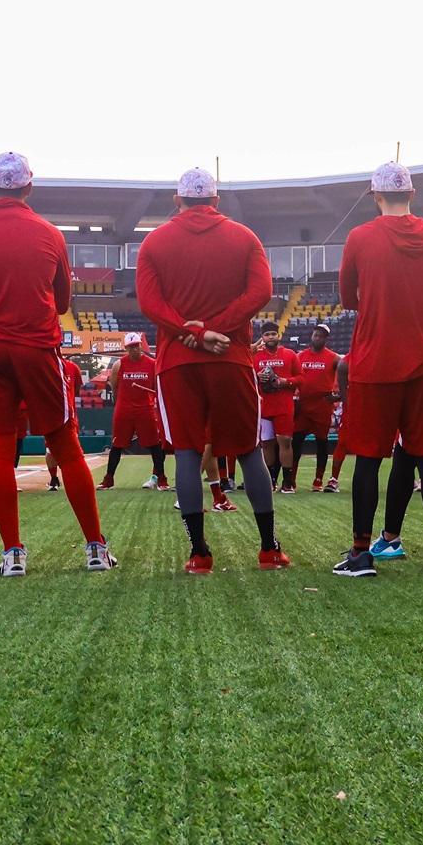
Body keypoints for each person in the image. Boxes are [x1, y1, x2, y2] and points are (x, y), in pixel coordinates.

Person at [0, 152, 114, 576]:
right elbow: (62, 302)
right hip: (37, 347)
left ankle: (13, 554)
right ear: (28, 186)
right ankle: (95, 547)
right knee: (66, 447)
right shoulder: (49, 234)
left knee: (0, 453)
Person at [136, 167, 284, 573]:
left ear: (176, 200)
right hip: (231, 358)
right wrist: (217, 328)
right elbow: (262, 292)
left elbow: (149, 303)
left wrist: (189, 332)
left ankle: (199, 554)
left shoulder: (155, 241)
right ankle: (269, 549)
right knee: (249, 450)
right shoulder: (244, 237)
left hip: (177, 362)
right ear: (216, 201)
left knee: (186, 453)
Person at [333, 162, 423, 577]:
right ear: (413, 194)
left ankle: (360, 553)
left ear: (375, 195)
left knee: (368, 459)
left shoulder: (361, 237)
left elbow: (348, 297)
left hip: (375, 361)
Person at [101, 332, 167, 490]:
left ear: (140, 346)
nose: (134, 350)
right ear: (126, 348)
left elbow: (156, 387)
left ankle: (162, 479)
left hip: (145, 409)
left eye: (136, 346)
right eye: (131, 347)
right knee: (117, 445)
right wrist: (121, 406)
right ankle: (108, 479)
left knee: (154, 445)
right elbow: (115, 388)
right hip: (124, 410)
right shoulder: (119, 364)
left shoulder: (152, 364)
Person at [289, 324, 343, 491]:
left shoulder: (334, 358)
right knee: (296, 442)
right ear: (311, 336)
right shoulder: (300, 356)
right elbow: (292, 376)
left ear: (326, 339)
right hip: (303, 405)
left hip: (322, 405)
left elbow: (347, 372)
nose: (317, 338)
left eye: (321, 336)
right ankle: (291, 479)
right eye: (315, 335)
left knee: (322, 443)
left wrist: (339, 394)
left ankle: (318, 480)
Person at [252, 328, 300, 491]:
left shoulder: (290, 354)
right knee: (266, 444)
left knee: (285, 442)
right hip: (264, 406)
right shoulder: (255, 356)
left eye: (273, 334)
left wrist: (284, 381)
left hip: (284, 406)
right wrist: (257, 377)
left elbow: (301, 378)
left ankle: (288, 482)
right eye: (267, 334)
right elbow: (246, 376)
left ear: (279, 336)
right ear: (262, 337)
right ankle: (271, 481)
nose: (270, 337)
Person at [43, 354, 84, 492]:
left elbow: (76, 390)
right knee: (50, 451)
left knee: (73, 451)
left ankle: (76, 481)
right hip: (49, 416)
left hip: (69, 417)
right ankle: (54, 479)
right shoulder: (44, 367)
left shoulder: (73, 368)